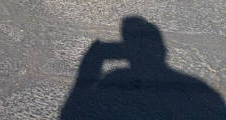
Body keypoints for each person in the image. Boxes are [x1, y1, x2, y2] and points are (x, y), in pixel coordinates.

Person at [61, 16, 225, 119]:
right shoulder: (198, 90)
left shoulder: (116, 82)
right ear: (163, 50)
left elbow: (73, 112)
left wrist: (94, 58)